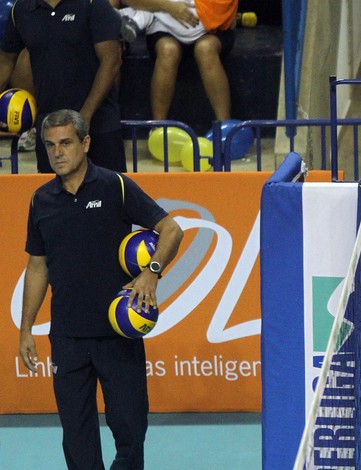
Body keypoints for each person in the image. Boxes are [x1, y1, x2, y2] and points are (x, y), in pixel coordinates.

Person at [18, 109, 184, 467]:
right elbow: (37, 266)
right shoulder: (40, 200)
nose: (58, 152)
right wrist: (26, 328)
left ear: (86, 143)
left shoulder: (115, 186)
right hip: (67, 337)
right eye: (50, 145)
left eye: (66, 143)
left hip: (118, 333)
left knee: (129, 430)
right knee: (76, 436)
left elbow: (171, 229)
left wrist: (151, 272)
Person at [0, 0, 126, 174]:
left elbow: (111, 61)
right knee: (54, 197)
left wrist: (85, 115)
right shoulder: (21, 10)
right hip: (50, 129)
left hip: (98, 125)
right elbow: (6, 60)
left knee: (109, 196)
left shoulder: (93, 5)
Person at [122, 0, 236, 124]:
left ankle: (226, 127)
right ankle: (158, 128)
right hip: (164, 24)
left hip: (210, 25)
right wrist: (168, 6)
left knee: (205, 48)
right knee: (168, 50)